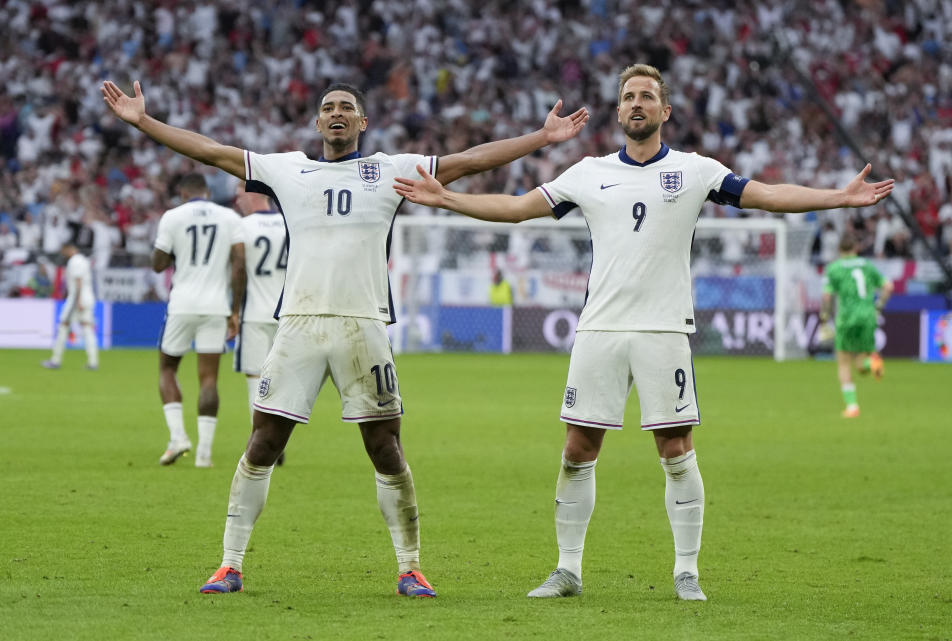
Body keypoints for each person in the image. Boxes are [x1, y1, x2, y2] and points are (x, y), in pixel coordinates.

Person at [394, 63, 894, 601]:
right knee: (578, 447)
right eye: (629, 96)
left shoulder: (696, 170)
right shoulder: (587, 172)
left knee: (676, 448)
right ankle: (567, 570)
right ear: (618, 110)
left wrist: (838, 198)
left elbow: (767, 194)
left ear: (665, 111)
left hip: (663, 330)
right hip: (600, 329)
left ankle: (686, 572)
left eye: (647, 97)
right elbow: (518, 209)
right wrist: (449, 199)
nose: (637, 103)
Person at [101, 78, 588, 598]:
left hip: (364, 327)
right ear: (317, 123)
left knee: (385, 446)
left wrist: (540, 137)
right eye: (328, 107)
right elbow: (212, 151)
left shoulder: (390, 170)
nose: (337, 113)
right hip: (300, 326)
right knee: (263, 441)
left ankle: (410, 567)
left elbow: (467, 161)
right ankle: (229, 563)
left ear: (362, 123)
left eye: (347, 108)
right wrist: (144, 122)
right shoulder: (289, 169)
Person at [152, 173, 245, 469]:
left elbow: (158, 264)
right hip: (216, 305)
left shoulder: (173, 216)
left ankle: (178, 437)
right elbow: (239, 264)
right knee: (208, 379)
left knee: (168, 368)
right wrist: (235, 309)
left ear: (183, 193)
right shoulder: (229, 217)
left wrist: (176, 252)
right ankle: (204, 454)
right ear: (206, 192)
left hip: (182, 304)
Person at [231, 182, 287, 464]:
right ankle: (278, 439)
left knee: (255, 377)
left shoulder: (243, 226)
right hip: (286, 315)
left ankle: (260, 439)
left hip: (254, 313)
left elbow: (239, 267)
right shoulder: (288, 222)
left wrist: (233, 310)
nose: (237, 198)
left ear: (253, 193)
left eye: (240, 192)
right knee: (280, 379)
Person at [819, 233, 893, 418]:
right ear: (856, 248)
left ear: (839, 250)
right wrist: (878, 307)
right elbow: (888, 287)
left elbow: (827, 296)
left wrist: (824, 317)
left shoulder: (834, 268)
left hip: (847, 319)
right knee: (861, 364)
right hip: (868, 317)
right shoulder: (867, 265)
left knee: (844, 362)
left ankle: (852, 407)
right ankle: (872, 362)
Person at [42, 243, 98, 370]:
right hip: (86, 297)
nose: (63, 254)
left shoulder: (75, 261)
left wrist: (78, 302)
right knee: (87, 329)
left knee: (63, 326)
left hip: (77, 299)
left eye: (64, 251)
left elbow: (78, 282)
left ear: (69, 249)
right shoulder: (84, 260)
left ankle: (55, 360)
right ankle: (93, 362)